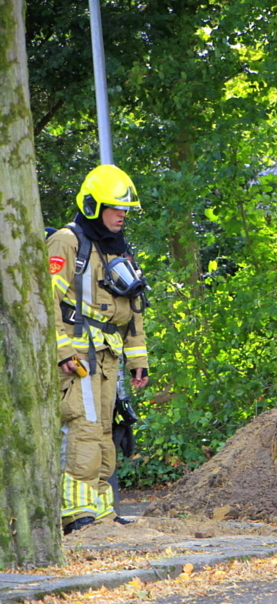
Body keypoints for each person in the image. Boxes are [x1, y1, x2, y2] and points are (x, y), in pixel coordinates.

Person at [49, 165, 150, 534]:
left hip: (108, 359)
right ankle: (75, 514)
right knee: (84, 431)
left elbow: (132, 309)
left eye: (125, 209)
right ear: (92, 205)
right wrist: (61, 352)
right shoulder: (67, 242)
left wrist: (137, 358)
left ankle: (101, 514)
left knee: (107, 434)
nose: (121, 215)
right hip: (76, 360)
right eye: (114, 207)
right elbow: (45, 302)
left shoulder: (117, 249)